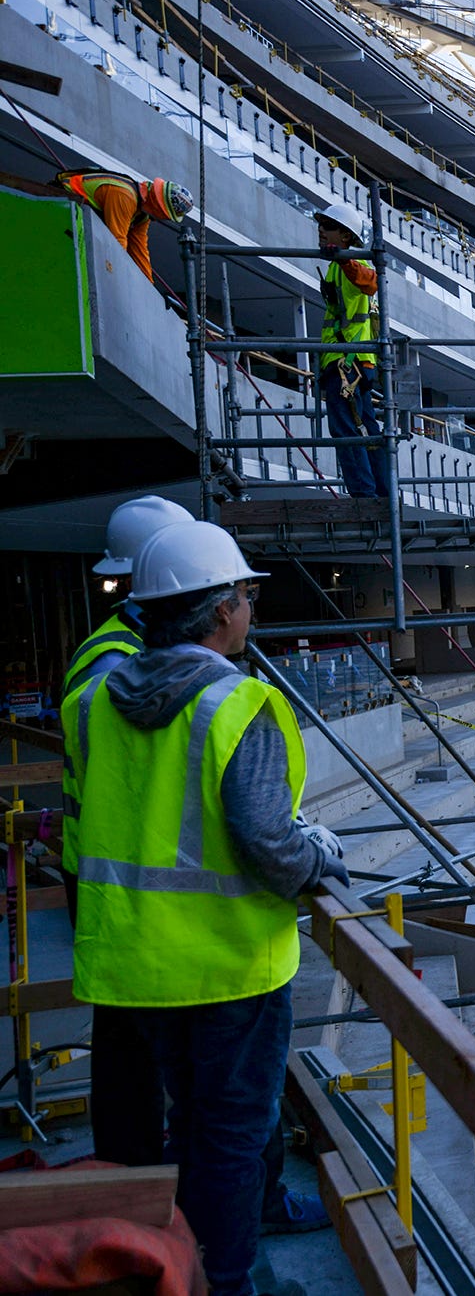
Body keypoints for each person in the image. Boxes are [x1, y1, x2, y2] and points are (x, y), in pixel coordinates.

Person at [62, 521, 348, 1296]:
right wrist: (322, 850)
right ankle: (223, 1283)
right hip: (230, 968)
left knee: (189, 1126)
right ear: (220, 610)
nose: (251, 608)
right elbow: (274, 848)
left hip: (138, 966)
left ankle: (185, 1272)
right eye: (247, 595)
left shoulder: (92, 701)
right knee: (227, 1139)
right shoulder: (236, 704)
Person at [59, 495, 192, 1174]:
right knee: (132, 1050)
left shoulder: (128, 651)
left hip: (121, 874)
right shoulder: (114, 663)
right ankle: (135, 1182)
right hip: (117, 879)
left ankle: (139, 1172)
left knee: (135, 1046)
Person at [313, 202, 392, 500]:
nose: (321, 230)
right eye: (320, 225)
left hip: (347, 364)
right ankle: (380, 493)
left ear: (345, 236)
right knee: (367, 431)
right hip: (355, 362)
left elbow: (369, 283)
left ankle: (364, 495)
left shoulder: (352, 263)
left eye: (328, 226)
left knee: (346, 430)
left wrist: (345, 261)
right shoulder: (337, 265)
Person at [53, 171, 191, 282]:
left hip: (76, 216)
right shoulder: (125, 195)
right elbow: (116, 242)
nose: (163, 219)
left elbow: (140, 251)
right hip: (60, 203)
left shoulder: (142, 214)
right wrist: (116, 278)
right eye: (165, 215)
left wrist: (148, 287)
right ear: (158, 206)